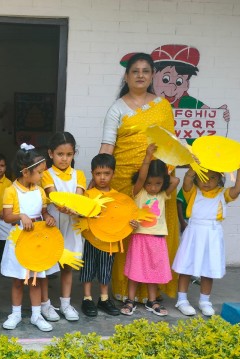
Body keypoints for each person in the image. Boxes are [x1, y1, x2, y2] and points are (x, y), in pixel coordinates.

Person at [99, 52, 180, 303]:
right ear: (126, 76)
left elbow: (171, 144)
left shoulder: (162, 106)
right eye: (135, 71)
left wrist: (167, 175)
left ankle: (152, 291)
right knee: (127, 235)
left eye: (145, 71)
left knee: (154, 235)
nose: (140, 75)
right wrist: (98, 177)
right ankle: (126, 290)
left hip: (157, 179)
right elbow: (108, 146)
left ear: (153, 75)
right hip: (125, 180)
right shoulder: (117, 108)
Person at [173, 161, 240, 317]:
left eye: (212, 178)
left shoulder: (223, 194)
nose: (207, 181)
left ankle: (205, 301)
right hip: (193, 233)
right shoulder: (192, 192)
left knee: (208, 269)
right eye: (202, 177)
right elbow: (187, 180)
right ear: (197, 177)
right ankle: (182, 300)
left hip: (213, 234)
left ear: (220, 178)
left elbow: (238, 188)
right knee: (186, 267)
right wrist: (194, 166)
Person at [1, 145, 58, 332]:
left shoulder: (40, 191)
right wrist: (21, 216)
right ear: (26, 172)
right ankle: (15, 314)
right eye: (39, 172)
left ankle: (36, 315)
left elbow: (43, 212)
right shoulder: (11, 191)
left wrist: (48, 218)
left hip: (36, 240)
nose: (42, 176)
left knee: (35, 279)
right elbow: (6, 216)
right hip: (18, 240)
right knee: (18, 281)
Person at [122, 147, 179, 316]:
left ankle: (152, 301)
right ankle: (130, 300)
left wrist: (166, 173)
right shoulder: (138, 192)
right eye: (149, 183)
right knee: (135, 270)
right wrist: (148, 157)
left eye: (158, 183)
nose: (153, 187)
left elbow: (175, 180)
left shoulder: (163, 194)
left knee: (154, 270)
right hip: (140, 237)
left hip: (157, 238)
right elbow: (141, 177)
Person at [41, 132, 86, 322]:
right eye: (60, 154)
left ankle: (65, 304)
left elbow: (79, 198)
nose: (64, 158)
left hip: (72, 225)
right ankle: (45, 304)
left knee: (68, 266)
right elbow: (53, 196)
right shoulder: (46, 174)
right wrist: (66, 205)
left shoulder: (79, 175)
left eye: (69, 154)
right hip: (52, 226)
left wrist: (75, 207)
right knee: (45, 266)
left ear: (74, 154)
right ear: (51, 153)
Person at [79, 154, 124, 317]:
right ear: (92, 173)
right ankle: (87, 298)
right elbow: (81, 214)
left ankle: (104, 299)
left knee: (105, 270)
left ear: (113, 174)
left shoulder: (117, 196)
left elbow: (121, 218)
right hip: (91, 239)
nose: (102, 177)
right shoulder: (88, 194)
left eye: (106, 173)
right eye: (98, 174)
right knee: (88, 269)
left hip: (109, 242)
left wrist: (130, 223)